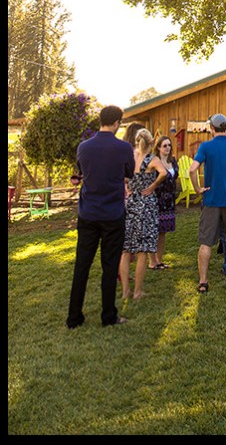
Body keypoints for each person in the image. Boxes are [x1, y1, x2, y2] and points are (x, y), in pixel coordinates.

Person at [66, 104, 135, 328]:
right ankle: (108, 316)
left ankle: (74, 318)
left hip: (88, 213)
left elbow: (82, 171)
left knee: (82, 266)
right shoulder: (123, 148)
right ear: (117, 123)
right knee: (109, 265)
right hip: (113, 214)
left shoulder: (84, 147)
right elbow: (129, 173)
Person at [189, 114, 226, 291]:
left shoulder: (205, 146)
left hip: (211, 199)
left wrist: (198, 189)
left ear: (211, 128)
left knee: (206, 242)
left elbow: (192, 169)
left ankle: (203, 282)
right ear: (225, 127)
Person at [119, 128, 168, 301]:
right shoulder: (152, 159)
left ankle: (125, 291)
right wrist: (153, 186)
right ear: (151, 143)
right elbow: (164, 173)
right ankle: (138, 292)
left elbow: (121, 175)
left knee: (125, 250)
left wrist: (128, 186)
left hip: (130, 204)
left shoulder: (130, 156)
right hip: (146, 205)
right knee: (142, 251)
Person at [148, 133, 179, 269]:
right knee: (153, 230)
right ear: (159, 148)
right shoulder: (155, 161)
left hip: (169, 200)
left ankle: (159, 260)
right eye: (164, 145)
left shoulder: (173, 161)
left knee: (163, 231)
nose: (167, 148)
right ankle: (152, 261)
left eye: (169, 145)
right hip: (156, 200)